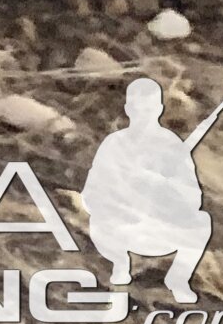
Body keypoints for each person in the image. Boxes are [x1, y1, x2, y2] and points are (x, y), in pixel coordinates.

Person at [78, 76, 211, 303]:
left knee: (201, 222)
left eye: (149, 109)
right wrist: (123, 194)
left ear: (159, 108)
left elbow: (193, 197)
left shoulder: (171, 145)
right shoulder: (114, 144)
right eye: (138, 109)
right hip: (117, 227)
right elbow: (91, 194)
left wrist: (163, 187)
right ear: (128, 109)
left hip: (154, 228)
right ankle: (119, 268)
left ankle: (178, 279)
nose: (144, 115)